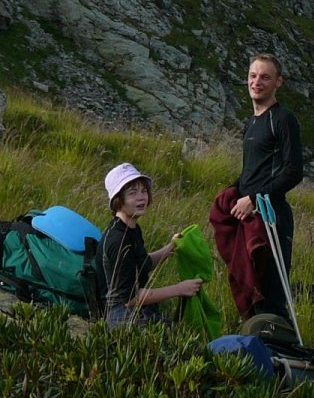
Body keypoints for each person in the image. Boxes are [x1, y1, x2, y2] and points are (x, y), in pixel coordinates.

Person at [210, 54, 303, 320]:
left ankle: (280, 352)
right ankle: (256, 352)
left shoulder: (284, 119)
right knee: (251, 289)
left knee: (272, 295)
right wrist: (231, 194)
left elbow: (294, 171)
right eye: (253, 76)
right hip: (249, 217)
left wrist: (255, 197)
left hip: (272, 218)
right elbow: (250, 172)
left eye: (265, 77)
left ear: (278, 82)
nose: (257, 82)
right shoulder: (250, 123)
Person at [101, 162, 203, 330]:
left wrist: (171, 247)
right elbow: (130, 298)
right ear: (118, 200)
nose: (142, 197)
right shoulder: (117, 240)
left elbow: (143, 264)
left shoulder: (131, 228)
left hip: (137, 310)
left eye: (143, 191)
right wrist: (179, 289)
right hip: (122, 317)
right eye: (133, 193)